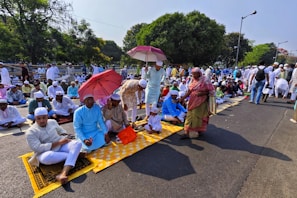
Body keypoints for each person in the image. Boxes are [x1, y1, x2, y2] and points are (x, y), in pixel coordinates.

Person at [26, 107, 82, 184]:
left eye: (44, 118)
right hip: (45, 153)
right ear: (35, 118)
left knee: (77, 143)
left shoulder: (52, 122)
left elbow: (62, 131)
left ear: (47, 116)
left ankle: (63, 173)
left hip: (61, 146)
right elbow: (37, 148)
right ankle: (74, 155)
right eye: (38, 118)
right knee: (47, 157)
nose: (42, 120)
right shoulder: (30, 132)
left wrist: (67, 136)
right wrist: (58, 143)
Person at [179, 67, 215, 139]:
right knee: (189, 116)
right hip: (192, 101)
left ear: (199, 73)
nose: (194, 76)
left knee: (199, 117)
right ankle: (186, 133)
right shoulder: (192, 80)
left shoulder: (205, 80)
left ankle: (199, 130)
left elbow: (211, 91)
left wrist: (203, 93)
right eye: (193, 74)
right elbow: (189, 91)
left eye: (195, 74)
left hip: (201, 102)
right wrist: (182, 98)